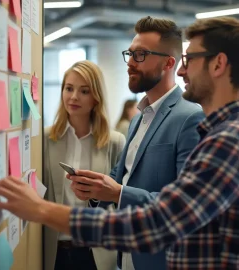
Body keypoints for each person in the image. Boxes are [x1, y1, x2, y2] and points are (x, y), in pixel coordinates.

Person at [70, 17, 204, 270]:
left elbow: (186, 204)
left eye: (140, 55)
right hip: (127, 254)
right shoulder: (138, 119)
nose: (130, 63)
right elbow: (123, 176)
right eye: (129, 54)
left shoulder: (190, 117)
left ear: (169, 63)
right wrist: (95, 189)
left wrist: (117, 193)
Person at [43, 60, 125, 270]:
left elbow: (119, 200)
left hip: (96, 252)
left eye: (84, 91)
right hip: (53, 251)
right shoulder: (45, 139)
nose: (74, 97)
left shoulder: (114, 142)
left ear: (96, 97)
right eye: (69, 88)